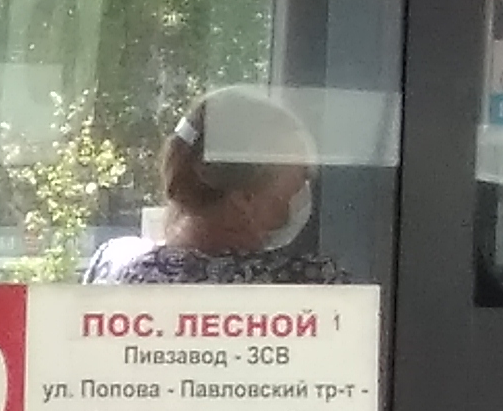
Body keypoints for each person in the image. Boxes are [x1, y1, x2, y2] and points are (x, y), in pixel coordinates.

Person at [85, 85, 348, 286]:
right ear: (245, 197)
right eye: (301, 173)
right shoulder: (308, 283)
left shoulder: (112, 263)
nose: (305, 187)